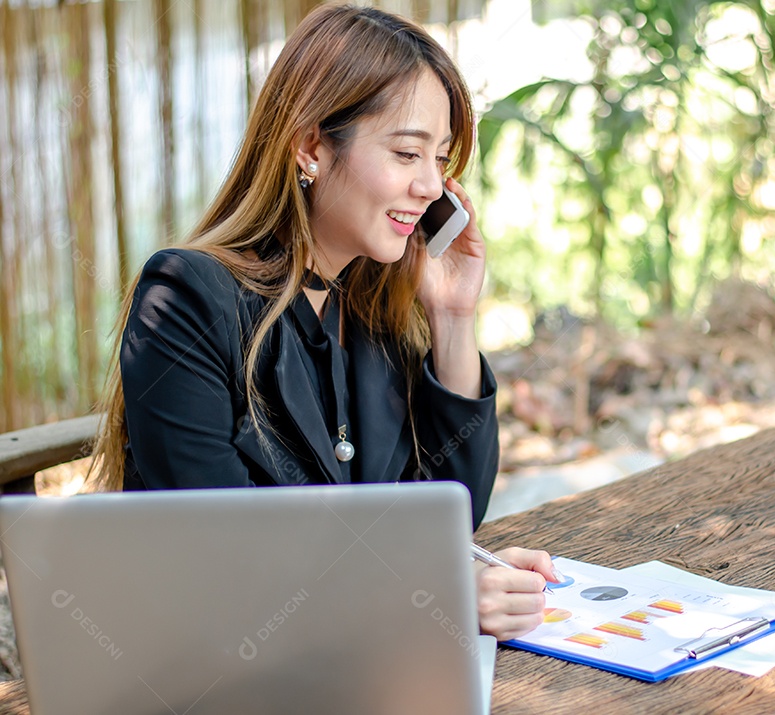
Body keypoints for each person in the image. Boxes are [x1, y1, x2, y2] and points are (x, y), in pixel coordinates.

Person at [89, 4, 554, 641]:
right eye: (406, 153)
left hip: (350, 665)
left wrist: (452, 320)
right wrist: (431, 592)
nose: (429, 186)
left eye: (439, 159)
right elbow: (225, 555)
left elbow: (450, 515)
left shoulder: (369, 310)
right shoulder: (187, 298)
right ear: (311, 148)